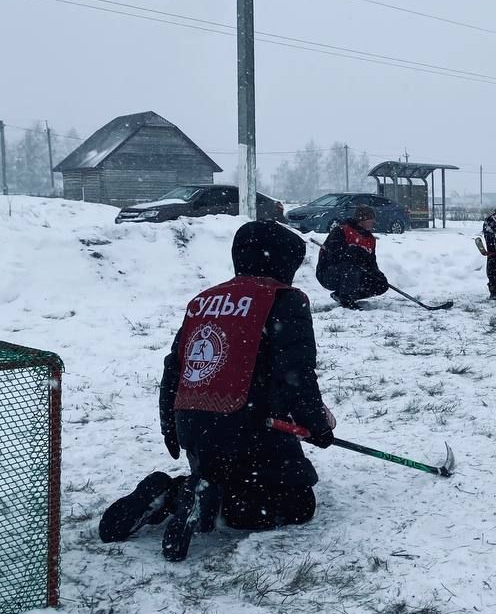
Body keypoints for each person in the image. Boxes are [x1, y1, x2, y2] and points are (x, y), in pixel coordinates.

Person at [98, 220, 336, 561]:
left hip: (195, 425)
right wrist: (317, 425)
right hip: (251, 425)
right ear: (281, 262)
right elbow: (295, 373)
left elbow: (175, 367)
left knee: (223, 475)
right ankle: (205, 498)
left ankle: (172, 491)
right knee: (296, 503)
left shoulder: (204, 301)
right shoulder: (283, 300)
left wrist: (171, 425)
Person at [316, 205, 389, 310]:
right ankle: (346, 300)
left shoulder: (370, 239)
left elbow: (371, 263)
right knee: (351, 268)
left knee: (380, 283)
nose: (374, 222)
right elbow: (334, 255)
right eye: (371, 219)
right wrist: (354, 253)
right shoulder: (341, 231)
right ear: (361, 219)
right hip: (329, 273)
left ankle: (345, 295)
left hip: (355, 273)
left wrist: (377, 275)